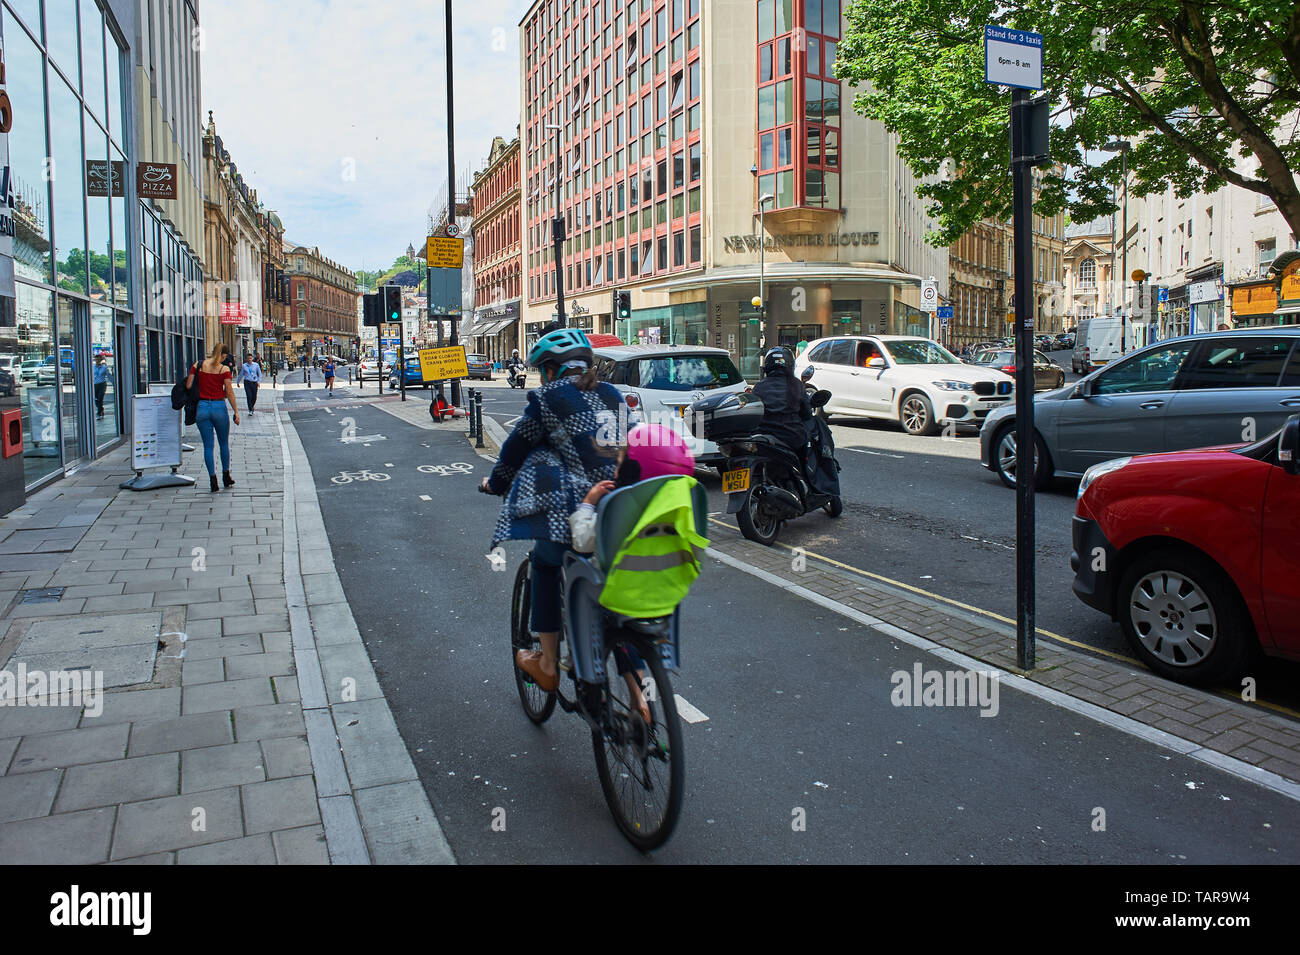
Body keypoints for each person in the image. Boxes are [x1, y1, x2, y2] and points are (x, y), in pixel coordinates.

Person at [480, 328, 626, 695]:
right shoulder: (612, 394)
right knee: (620, 597)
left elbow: (515, 448)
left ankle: (547, 663)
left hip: (587, 513)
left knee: (545, 561)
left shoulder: (547, 398)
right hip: (628, 506)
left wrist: (495, 484)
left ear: (549, 370)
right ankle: (640, 698)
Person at [186, 342, 240, 493]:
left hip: (202, 408)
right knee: (223, 443)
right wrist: (236, 411)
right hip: (218, 407)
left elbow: (189, 385)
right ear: (223, 355)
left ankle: (213, 480)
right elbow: (229, 391)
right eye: (225, 356)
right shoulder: (224, 369)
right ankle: (226, 476)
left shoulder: (198, 364)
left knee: (208, 446)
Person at [752, 346, 811, 462]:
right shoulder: (796, 385)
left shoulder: (759, 386)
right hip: (791, 437)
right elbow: (807, 414)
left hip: (763, 438)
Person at [92, 354, 112, 420]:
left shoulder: (104, 367)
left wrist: (114, 383)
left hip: (102, 384)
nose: (97, 361)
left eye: (99, 359)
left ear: (101, 360)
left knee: (100, 398)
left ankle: (99, 414)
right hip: (95, 384)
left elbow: (109, 376)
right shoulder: (92, 367)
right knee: (96, 400)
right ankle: (101, 409)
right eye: (96, 359)